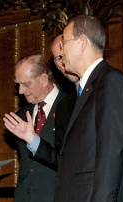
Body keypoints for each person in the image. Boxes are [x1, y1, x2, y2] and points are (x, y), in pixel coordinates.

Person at [5, 15, 123, 202]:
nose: (61, 55)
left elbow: (110, 159)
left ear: (82, 43)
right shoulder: (81, 93)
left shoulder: (110, 81)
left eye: (64, 42)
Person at [4, 54, 65, 201]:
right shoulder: (21, 116)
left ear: (44, 79)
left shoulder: (71, 106)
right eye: (18, 84)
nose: (20, 91)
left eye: (26, 84)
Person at [30, 34, 80, 170]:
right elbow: (62, 159)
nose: (65, 62)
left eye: (66, 54)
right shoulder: (64, 105)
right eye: (59, 58)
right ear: (57, 66)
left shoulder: (111, 84)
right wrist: (31, 139)